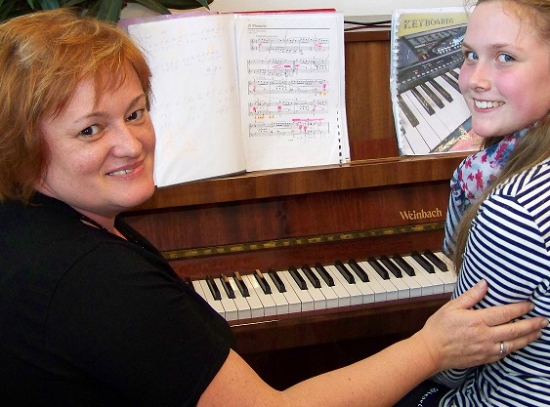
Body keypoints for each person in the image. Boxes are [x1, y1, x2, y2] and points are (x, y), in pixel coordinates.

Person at [0, 8, 546, 407]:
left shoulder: (35, 222)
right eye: (91, 129)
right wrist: (429, 349)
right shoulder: (90, 279)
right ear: (20, 146)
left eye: (136, 113)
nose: (131, 144)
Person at [397, 0, 550, 405]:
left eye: (505, 57)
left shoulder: (512, 206)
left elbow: (453, 365)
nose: (474, 80)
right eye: (469, 55)